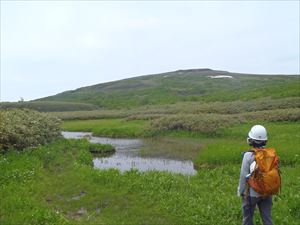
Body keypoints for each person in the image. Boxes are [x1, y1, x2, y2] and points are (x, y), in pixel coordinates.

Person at [238, 125, 274, 225]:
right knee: (267, 218)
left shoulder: (248, 155)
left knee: (247, 219)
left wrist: (241, 192)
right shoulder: (271, 154)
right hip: (267, 192)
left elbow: (243, 176)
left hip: (251, 194)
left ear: (250, 140)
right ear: (265, 141)